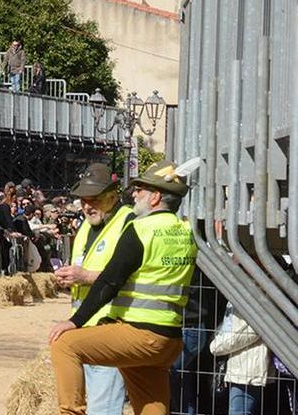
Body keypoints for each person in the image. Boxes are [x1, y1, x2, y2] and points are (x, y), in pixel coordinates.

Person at [49, 161, 199, 415]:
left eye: (140, 189)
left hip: (139, 332)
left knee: (64, 344)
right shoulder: (184, 231)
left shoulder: (140, 229)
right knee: (151, 406)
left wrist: (74, 321)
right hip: (169, 338)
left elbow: (110, 280)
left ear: (156, 197)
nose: (134, 194)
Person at [53, 163, 134, 415]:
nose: (88, 206)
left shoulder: (128, 223)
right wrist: (70, 279)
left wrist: (86, 276)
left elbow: (129, 276)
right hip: (85, 328)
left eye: (95, 199)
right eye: (83, 200)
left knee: (103, 409)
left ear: (113, 196)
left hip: (109, 327)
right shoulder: (87, 226)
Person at [209, 303, 271, 415]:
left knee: (239, 412)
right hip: (238, 364)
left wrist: (217, 345)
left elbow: (255, 330)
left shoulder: (257, 295)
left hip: (247, 366)